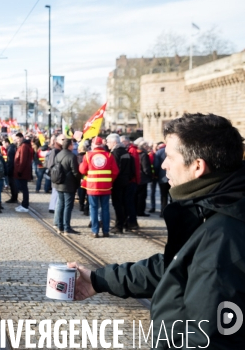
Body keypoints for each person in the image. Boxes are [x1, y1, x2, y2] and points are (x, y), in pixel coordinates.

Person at [71, 113, 245, 348]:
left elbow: (209, 338)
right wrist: (98, 280)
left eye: (170, 157)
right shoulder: (211, 208)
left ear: (197, 166)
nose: (163, 164)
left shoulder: (224, 234)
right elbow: (173, 267)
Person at [79, 137, 119, 238]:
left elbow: (83, 170)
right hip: (106, 187)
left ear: (93, 145)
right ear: (102, 145)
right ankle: (106, 231)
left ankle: (95, 231)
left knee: (94, 209)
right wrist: (109, 180)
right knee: (105, 209)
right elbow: (115, 171)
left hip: (92, 187)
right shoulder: (109, 155)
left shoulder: (88, 155)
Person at [52, 138, 81, 235]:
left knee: (60, 204)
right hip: (69, 185)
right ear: (69, 146)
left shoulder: (58, 154)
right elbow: (75, 172)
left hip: (59, 183)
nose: (73, 146)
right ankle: (66, 227)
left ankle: (60, 227)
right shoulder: (72, 156)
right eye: (72, 144)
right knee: (68, 206)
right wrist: (78, 181)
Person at [107, 133, 134, 234]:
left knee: (117, 204)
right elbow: (132, 169)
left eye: (108, 142)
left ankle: (119, 226)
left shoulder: (115, 153)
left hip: (117, 182)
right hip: (126, 181)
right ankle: (125, 223)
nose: (107, 144)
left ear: (114, 142)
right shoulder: (126, 152)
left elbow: (115, 169)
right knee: (124, 203)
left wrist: (112, 180)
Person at [121, 135, 141, 230]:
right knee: (129, 202)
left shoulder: (132, 150)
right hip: (132, 180)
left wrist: (134, 180)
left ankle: (132, 222)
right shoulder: (130, 150)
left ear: (126, 142)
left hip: (131, 181)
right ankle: (131, 221)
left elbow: (135, 167)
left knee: (130, 203)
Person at [14, 132, 34, 212]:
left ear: (22, 138)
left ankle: (25, 205)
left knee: (24, 188)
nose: (17, 140)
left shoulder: (24, 146)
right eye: (16, 139)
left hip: (23, 171)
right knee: (23, 188)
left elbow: (23, 160)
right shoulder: (23, 146)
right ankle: (24, 204)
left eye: (18, 138)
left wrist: (19, 170)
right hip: (22, 171)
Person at [135, 138, 152, 217]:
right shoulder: (144, 154)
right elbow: (146, 168)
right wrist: (149, 175)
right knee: (142, 196)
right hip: (143, 178)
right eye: (146, 145)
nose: (147, 146)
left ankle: (136, 210)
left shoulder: (135, 153)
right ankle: (140, 211)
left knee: (136, 195)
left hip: (136, 177)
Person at [154, 143, 171, 216]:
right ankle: (173, 212)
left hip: (162, 177)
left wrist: (156, 175)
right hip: (172, 176)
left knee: (163, 195)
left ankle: (163, 211)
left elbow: (156, 165)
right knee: (172, 195)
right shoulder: (173, 151)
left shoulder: (159, 152)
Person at [2, 138, 18, 204]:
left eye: (3, 144)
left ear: (7, 143)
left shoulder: (10, 149)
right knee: (13, 184)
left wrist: (8, 170)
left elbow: (10, 161)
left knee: (12, 184)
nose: (3, 145)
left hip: (12, 170)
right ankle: (14, 197)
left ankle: (13, 198)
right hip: (14, 169)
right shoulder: (13, 148)